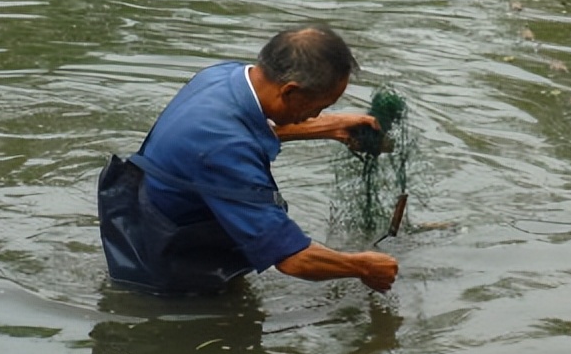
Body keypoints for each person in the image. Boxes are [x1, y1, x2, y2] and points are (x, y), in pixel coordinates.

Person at [98, 25, 398, 295]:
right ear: (291, 91)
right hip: (166, 276)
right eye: (320, 107)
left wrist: (330, 127)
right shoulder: (223, 149)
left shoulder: (223, 77)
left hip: (148, 213)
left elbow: (243, 129)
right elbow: (293, 259)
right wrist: (362, 267)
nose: (317, 115)